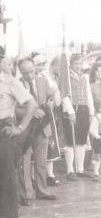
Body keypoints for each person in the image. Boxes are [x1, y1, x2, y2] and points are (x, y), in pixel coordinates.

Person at [0, 46, 37, 218]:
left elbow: (31, 104)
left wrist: (20, 128)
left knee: (5, 178)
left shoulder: (10, 82)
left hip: (4, 132)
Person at [17, 58, 58, 205]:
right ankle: (27, 194)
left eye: (31, 72)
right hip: (25, 129)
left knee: (41, 161)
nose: (29, 76)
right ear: (20, 72)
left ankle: (42, 190)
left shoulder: (43, 81)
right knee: (25, 161)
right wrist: (31, 113)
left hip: (42, 128)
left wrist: (50, 104)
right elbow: (14, 109)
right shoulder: (16, 84)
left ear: (35, 68)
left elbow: (50, 98)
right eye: (25, 73)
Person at [62, 54, 95, 180]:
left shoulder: (85, 77)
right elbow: (65, 95)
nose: (78, 66)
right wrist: (70, 111)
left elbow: (89, 95)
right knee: (70, 141)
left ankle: (80, 169)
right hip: (72, 109)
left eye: (80, 64)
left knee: (81, 140)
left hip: (83, 109)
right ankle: (70, 170)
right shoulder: (66, 77)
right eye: (76, 63)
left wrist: (91, 111)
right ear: (71, 64)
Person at [32, 54, 62, 187]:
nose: (41, 67)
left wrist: (55, 90)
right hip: (34, 116)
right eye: (39, 64)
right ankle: (33, 177)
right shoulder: (29, 80)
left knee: (51, 145)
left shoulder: (47, 79)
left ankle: (50, 174)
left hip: (48, 116)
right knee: (33, 148)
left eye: (43, 64)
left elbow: (56, 101)